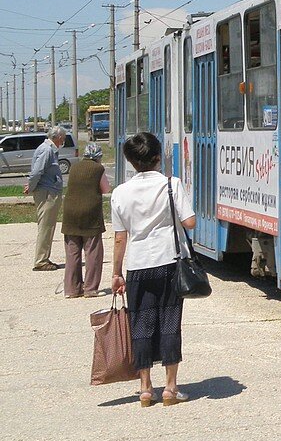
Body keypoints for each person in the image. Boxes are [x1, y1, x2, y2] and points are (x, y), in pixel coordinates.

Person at [111, 133, 197, 407]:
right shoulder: (172, 185)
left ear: (130, 161)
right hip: (169, 262)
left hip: (138, 266)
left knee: (141, 325)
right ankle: (171, 388)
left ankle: (146, 388)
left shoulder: (120, 193)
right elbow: (190, 222)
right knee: (170, 322)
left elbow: (119, 238)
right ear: (159, 157)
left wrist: (116, 273)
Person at [61, 142, 111, 298]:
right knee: (92, 251)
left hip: (70, 214)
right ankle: (90, 288)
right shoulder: (98, 169)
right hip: (90, 214)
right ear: (98, 157)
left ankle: (71, 289)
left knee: (72, 252)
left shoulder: (74, 167)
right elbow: (106, 189)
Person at [24, 126, 66, 271]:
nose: (64, 140)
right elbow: (37, 172)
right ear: (58, 137)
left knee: (48, 226)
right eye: (63, 137)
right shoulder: (47, 150)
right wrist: (31, 186)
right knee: (45, 227)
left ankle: (44, 258)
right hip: (47, 193)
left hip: (49, 191)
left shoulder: (50, 150)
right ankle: (41, 261)